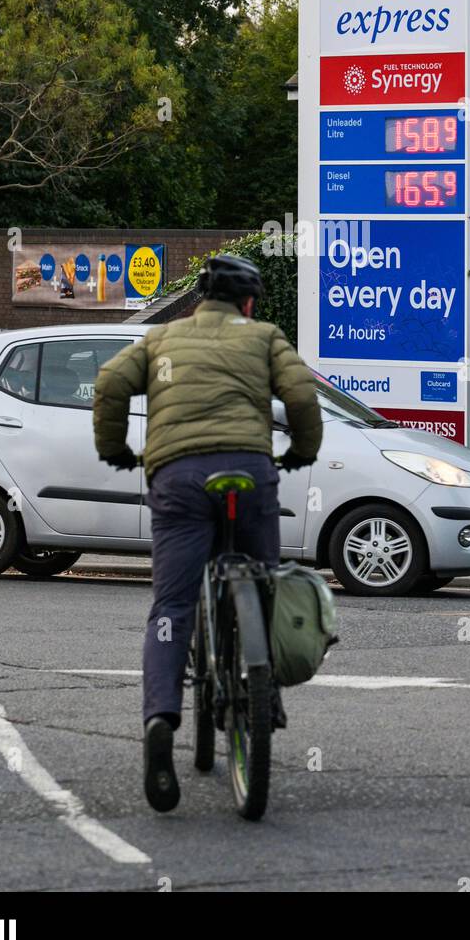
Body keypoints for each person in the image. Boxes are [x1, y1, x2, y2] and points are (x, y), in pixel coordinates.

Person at [92, 253, 322, 812]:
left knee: (172, 604)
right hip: (250, 469)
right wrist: (301, 453)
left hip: (178, 477)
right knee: (266, 580)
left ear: (200, 299)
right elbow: (302, 398)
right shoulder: (265, 336)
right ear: (247, 303)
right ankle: (261, 694)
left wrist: (116, 450)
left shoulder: (161, 339)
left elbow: (108, 383)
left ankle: (159, 721)